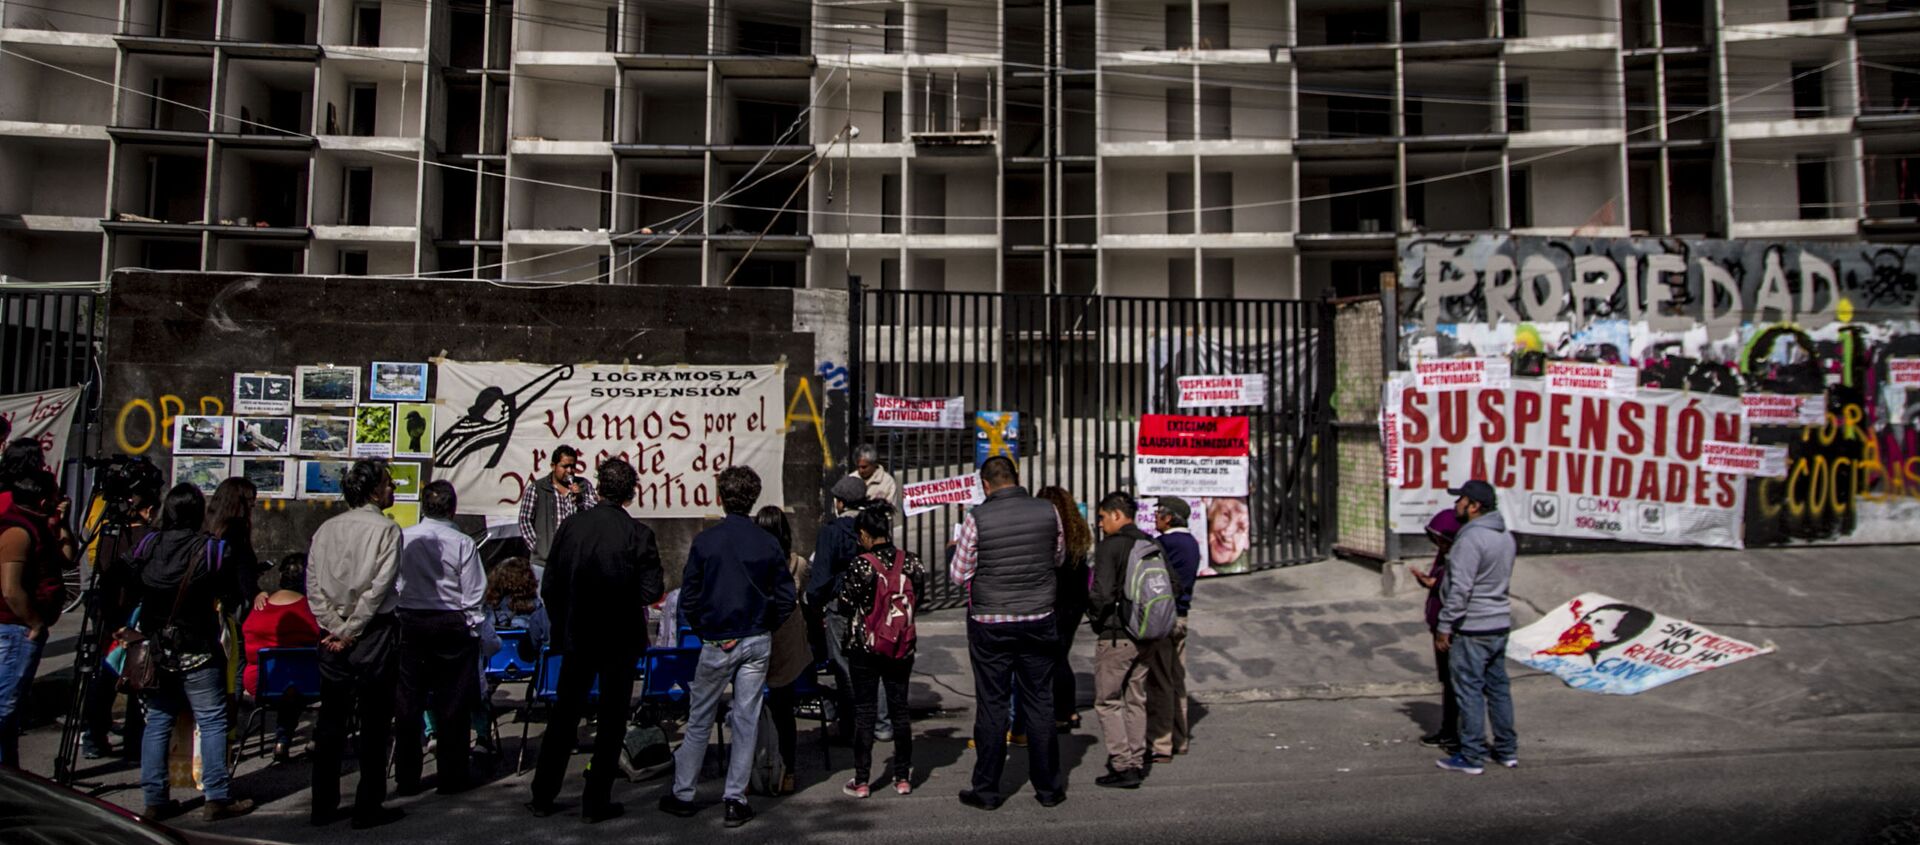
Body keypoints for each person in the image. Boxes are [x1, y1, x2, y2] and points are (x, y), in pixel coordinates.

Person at [530, 457, 664, 822]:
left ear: (600, 489)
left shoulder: (572, 527)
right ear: (631, 492)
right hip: (619, 638)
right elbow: (652, 589)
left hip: (579, 635)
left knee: (564, 716)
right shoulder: (638, 534)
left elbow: (551, 586)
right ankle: (595, 800)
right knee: (611, 721)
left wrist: (564, 623)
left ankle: (543, 794)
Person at [659, 466, 794, 828]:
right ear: (753, 498)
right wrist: (765, 625)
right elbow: (786, 597)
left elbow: (690, 597)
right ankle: (736, 797)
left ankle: (683, 792)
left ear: (720, 497)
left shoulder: (707, 541)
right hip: (755, 636)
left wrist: (706, 629)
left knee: (701, 716)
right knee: (746, 718)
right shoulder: (767, 542)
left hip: (719, 637)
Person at [130, 483, 255, 821]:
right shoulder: (212, 551)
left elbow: (128, 581)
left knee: (157, 721)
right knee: (212, 720)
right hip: (199, 645)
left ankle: (154, 798)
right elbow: (231, 595)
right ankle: (216, 796)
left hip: (158, 648)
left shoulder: (148, 545)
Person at [950, 456, 1065, 811]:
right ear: (1016, 478)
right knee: (1040, 702)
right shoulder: (1048, 511)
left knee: (993, 705)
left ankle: (986, 790)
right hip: (1038, 616)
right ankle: (1048, 789)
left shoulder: (976, 518)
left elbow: (959, 575)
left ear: (985, 484)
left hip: (990, 623)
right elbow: (1057, 557)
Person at [306, 459, 404, 829]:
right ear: (374, 490)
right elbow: (380, 588)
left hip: (333, 634)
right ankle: (367, 805)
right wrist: (352, 628)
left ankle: (323, 804)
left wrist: (335, 626)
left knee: (331, 720)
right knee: (375, 723)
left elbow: (313, 586)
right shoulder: (387, 530)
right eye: (388, 483)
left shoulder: (326, 530)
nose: (393, 489)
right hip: (372, 633)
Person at [393, 481, 487, 796]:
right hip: (449, 622)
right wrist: (471, 625)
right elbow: (474, 592)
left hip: (411, 620)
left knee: (409, 702)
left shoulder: (403, 538)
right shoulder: (462, 542)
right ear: (452, 508)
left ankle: (407, 777)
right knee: (453, 703)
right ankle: (452, 775)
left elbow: (394, 583)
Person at [836, 502, 924, 798]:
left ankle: (862, 781)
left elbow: (846, 605)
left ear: (864, 534)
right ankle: (902, 777)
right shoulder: (911, 562)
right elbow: (918, 600)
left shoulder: (861, 564)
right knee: (900, 710)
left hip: (865, 646)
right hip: (901, 645)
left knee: (865, 712)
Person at [1433, 479, 1519, 776]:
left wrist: (1445, 625)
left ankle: (1471, 756)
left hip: (1473, 628)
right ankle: (1507, 751)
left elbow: (1461, 589)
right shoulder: (1505, 536)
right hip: (1499, 624)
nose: (1456, 504)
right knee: (1498, 689)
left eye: (1461, 500)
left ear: (1474, 507)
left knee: (1468, 690)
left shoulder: (1470, 540)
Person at [1089, 491, 1161, 789]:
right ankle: (1136, 759)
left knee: (1108, 701)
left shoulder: (1111, 547)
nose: (1101, 524)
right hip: (1147, 633)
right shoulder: (1151, 543)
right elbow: (1174, 584)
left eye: (1103, 517)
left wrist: (1095, 618)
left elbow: (1102, 593)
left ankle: (1122, 764)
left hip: (1117, 634)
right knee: (1136, 698)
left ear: (1117, 515)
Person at [0, 469, 70, 768]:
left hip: (21, 628)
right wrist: (34, 622)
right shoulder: (18, 531)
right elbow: (11, 589)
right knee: (4, 707)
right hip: (16, 629)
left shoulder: (40, 525)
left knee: (10, 711)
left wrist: (62, 523)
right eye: (55, 496)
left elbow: (67, 557)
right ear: (43, 500)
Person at [807, 475, 877, 741]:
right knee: (870, 663)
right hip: (871, 604)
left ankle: (852, 727)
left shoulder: (832, 531)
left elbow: (821, 576)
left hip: (840, 606)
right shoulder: (871, 525)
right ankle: (876, 722)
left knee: (843, 666)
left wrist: (813, 603)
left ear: (840, 502)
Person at [241, 553, 325, 762]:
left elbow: (251, 651)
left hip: (263, 681)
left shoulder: (260, 607)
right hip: (308, 681)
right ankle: (317, 737)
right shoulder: (312, 609)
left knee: (287, 681)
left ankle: (282, 740)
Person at [756, 506, 811, 796]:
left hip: (758, 635)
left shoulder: (752, 563)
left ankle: (753, 770)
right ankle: (787, 769)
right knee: (784, 708)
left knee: (750, 707)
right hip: (787, 639)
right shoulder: (797, 564)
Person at [1145, 497, 1201, 764]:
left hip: (1164, 617)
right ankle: (1180, 738)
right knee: (1177, 679)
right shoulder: (1191, 543)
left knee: (1160, 682)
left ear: (1169, 518)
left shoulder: (1165, 544)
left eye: (1158, 514)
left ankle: (1160, 743)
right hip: (1182, 616)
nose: (1155, 518)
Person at [1035, 486, 1092, 732]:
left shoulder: (1048, 531)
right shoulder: (1077, 531)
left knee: (1053, 659)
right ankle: (1068, 710)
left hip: (1055, 600)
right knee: (1061, 655)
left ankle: (1061, 711)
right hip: (1075, 601)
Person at [1412, 509, 1463, 752]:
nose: (1439, 545)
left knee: (1457, 683)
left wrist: (1445, 629)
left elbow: (1457, 590)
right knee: (1448, 682)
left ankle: (1456, 735)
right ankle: (1448, 730)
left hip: (1451, 628)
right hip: (1439, 624)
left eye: (1443, 540)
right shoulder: (1444, 557)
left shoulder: (1461, 557)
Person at [516, 445, 597, 581]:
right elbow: (525, 519)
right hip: (544, 563)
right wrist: (537, 547)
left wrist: (580, 500)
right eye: (564, 466)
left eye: (572, 466)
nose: (569, 471)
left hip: (575, 561)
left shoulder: (584, 486)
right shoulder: (537, 488)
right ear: (553, 466)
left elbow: (595, 515)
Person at [204, 477, 262, 609]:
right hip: (230, 600)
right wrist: (255, 593)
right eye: (250, 500)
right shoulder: (236, 529)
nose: (253, 504)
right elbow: (242, 568)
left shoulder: (205, 524)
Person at [853, 444, 900, 513]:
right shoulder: (851, 478)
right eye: (858, 467)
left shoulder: (888, 482)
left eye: (864, 467)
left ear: (874, 464)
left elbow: (890, 509)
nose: (861, 471)